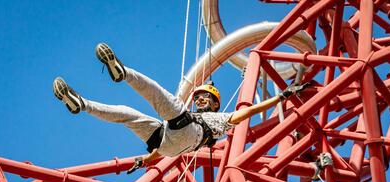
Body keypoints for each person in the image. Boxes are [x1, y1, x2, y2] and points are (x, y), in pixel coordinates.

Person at [53, 43, 308, 173]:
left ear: (215, 103)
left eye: (205, 98)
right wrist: (145, 160)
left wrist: (279, 99)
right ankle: (82, 104)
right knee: (126, 114)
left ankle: (124, 74)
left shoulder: (220, 118)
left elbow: (247, 112)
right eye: (199, 98)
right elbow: (164, 153)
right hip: (166, 142)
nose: (200, 100)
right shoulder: (197, 114)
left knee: (157, 95)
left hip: (185, 132)